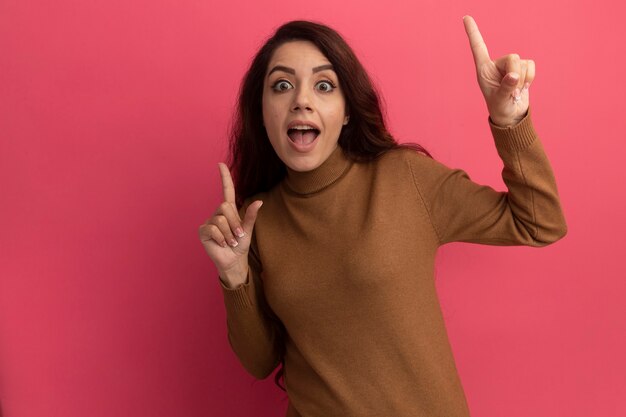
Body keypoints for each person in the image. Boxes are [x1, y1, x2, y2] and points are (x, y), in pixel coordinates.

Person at [199, 17, 567, 417]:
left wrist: (510, 120)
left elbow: (539, 221)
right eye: (282, 85)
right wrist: (234, 277)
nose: (300, 100)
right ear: (262, 111)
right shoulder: (255, 221)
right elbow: (259, 361)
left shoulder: (403, 177)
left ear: (346, 113)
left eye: (324, 85)